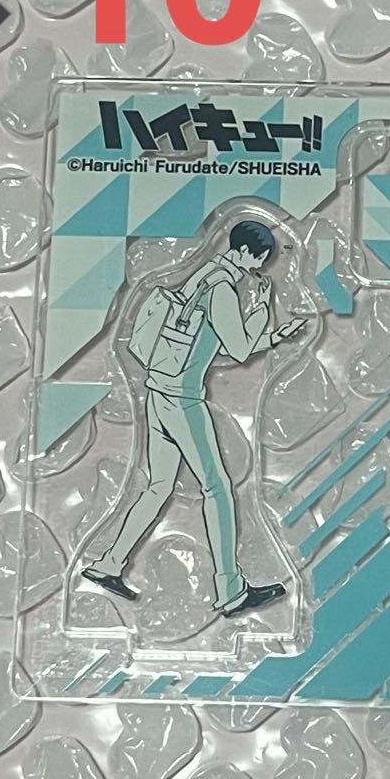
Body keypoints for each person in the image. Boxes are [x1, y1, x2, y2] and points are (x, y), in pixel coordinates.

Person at [83, 221, 304, 617]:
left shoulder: (203, 275)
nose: (260, 266)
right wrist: (261, 311)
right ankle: (230, 590)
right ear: (244, 252)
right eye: (260, 258)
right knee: (217, 488)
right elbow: (239, 349)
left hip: (158, 391)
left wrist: (273, 336)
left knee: (159, 487)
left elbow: (213, 343)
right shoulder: (222, 288)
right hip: (183, 400)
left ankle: (108, 564)